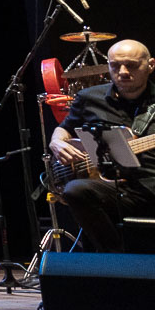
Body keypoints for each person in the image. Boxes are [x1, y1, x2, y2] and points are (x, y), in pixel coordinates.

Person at [50, 39, 155, 253]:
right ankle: (115, 258)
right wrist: (57, 142)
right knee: (75, 189)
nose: (123, 72)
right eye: (115, 66)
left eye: (132, 65)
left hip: (149, 185)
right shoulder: (89, 98)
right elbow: (65, 128)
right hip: (112, 187)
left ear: (150, 65)